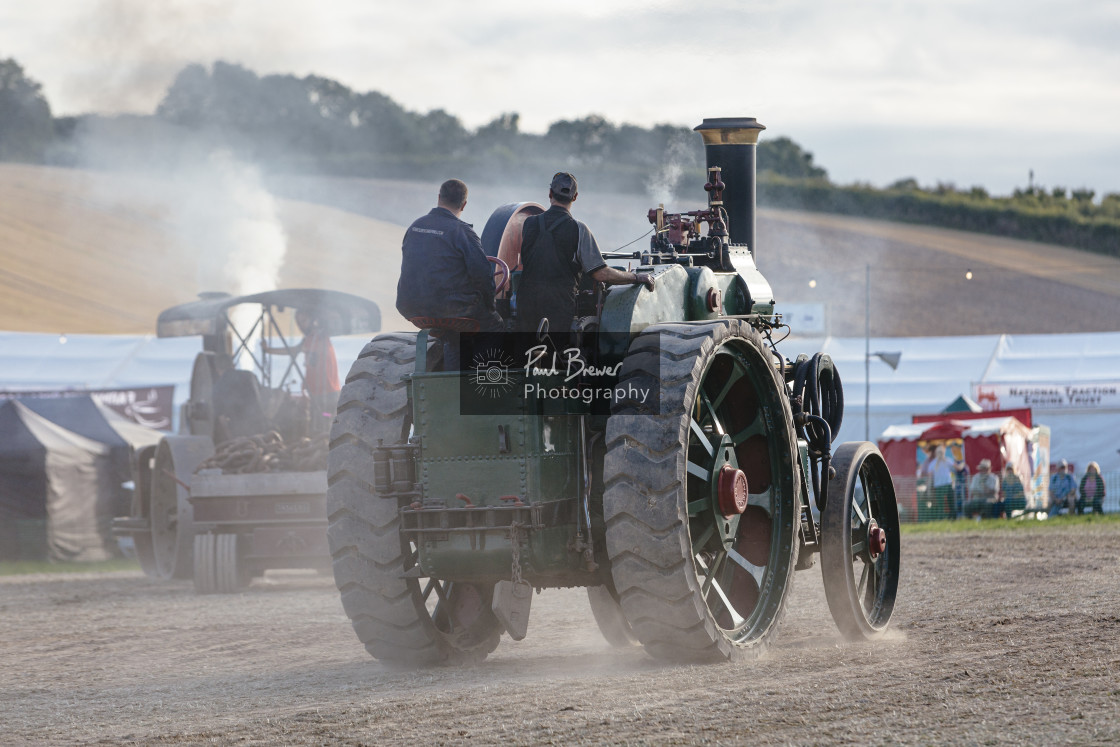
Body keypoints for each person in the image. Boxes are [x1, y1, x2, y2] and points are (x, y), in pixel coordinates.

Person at [518, 172, 655, 335]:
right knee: (554, 358)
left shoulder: (529, 223)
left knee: (523, 355)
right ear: (575, 197)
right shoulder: (578, 229)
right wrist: (636, 277)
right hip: (558, 312)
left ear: (549, 194)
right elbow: (601, 274)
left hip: (525, 307)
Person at [396, 179, 504, 368]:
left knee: (453, 335)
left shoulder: (414, 227)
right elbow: (482, 275)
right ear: (464, 204)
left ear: (439, 198)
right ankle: (486, 384)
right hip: (452, 310)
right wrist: (491, 306)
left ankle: (451, 378)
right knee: (496, 326)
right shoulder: (463, 232)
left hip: (410, 307)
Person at [264, 309, 340, 432]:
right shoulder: (309, 339)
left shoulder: (320, 337)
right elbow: (294, 350)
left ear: (313, 320)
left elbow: (296, 350)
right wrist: (269, 350)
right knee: (316, 424)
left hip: (328, 392)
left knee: (326, 421)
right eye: (298, 322)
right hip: (315, 393)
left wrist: (269, 350)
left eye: (303, 321)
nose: (300, 325)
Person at [917, 444, 955, 520]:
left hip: (939, 486)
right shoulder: (932, 462)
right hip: (937, 486)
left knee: (944, 504)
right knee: (940, 504)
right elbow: (926, 475)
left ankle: (945, 518)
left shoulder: (944, 461)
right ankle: (942, 518)